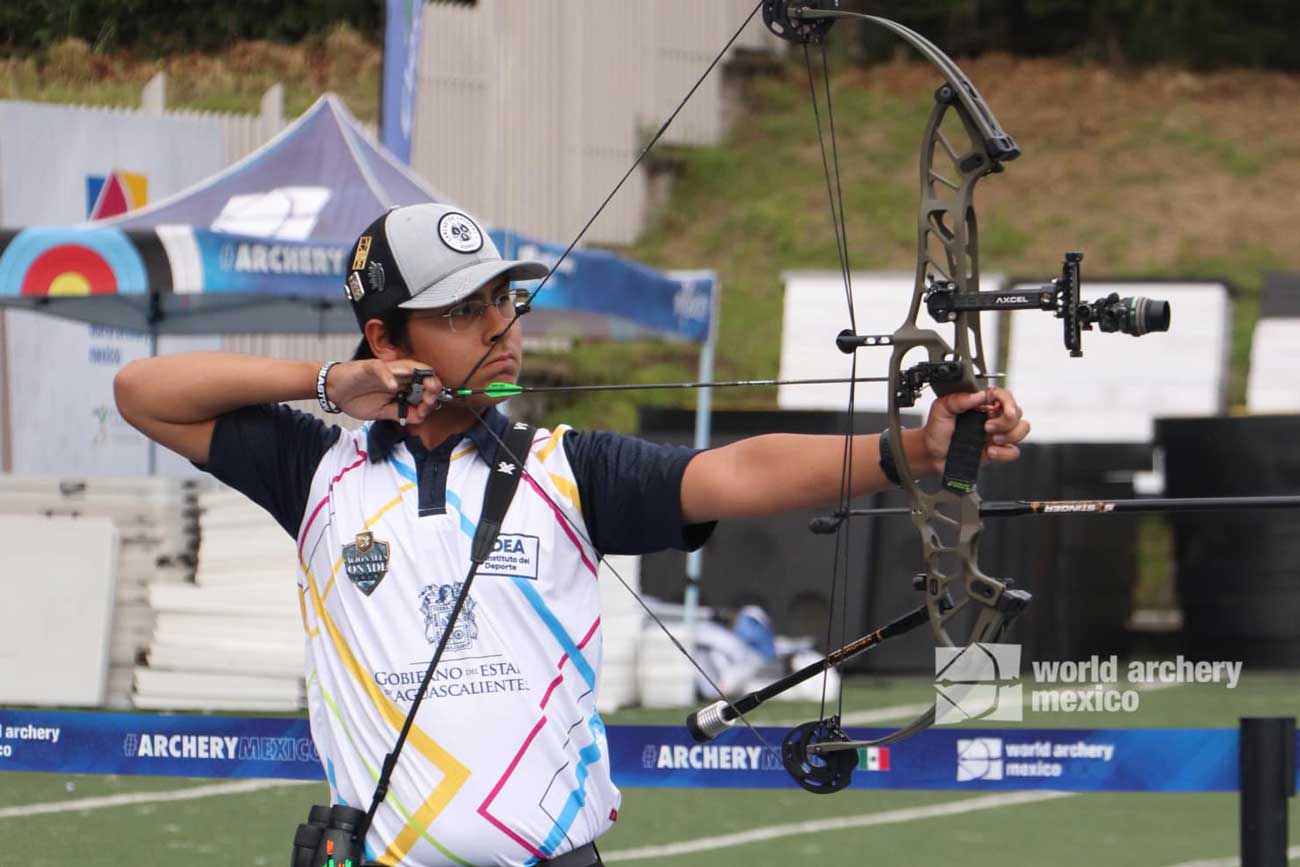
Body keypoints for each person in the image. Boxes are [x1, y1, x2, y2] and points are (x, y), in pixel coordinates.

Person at [114, 202, 1030, 867]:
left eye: (505, 302)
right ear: (386, 339)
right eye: (465, 310)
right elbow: (141, 392)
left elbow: (737, 473)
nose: (501, 327)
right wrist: (328, 380)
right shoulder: (315, 470)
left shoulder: (565, 467)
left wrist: (913, 446)